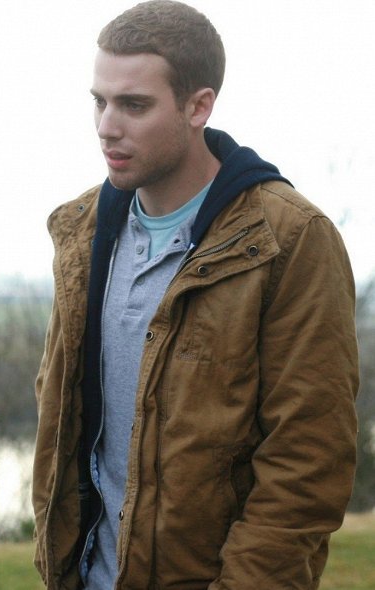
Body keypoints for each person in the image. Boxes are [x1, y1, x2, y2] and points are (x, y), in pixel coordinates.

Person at [31, 1, 359, 588]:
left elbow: (308, 458)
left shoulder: (289, 239)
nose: (107, 126)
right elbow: (59, 418)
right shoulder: (82, 231)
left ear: (198, 107)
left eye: (134, 105)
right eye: (100, 101)